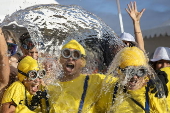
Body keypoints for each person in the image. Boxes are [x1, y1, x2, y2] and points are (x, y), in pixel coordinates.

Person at [95, 47, 169, 113]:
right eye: (129, 71)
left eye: (140, 71)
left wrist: (161, 76)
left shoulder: (152, 92)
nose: (135, 77)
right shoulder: (111, 91)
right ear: (119, 71)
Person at [47, 39, 105, 113]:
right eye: (66, 54)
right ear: (60, 59)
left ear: (82, 62)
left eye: (76, 55)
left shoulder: (95, 81)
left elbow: (118, 84)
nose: (71, 58)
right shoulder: (50, 86)